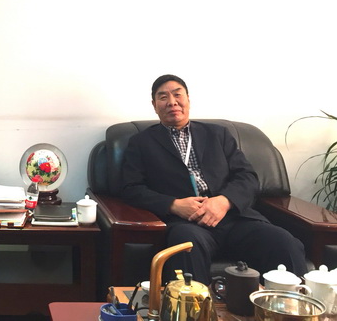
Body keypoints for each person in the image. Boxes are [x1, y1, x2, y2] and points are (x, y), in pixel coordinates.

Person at [121, 74, 307, 285]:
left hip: (233, 218)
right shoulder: (141, 143)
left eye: (177, 94)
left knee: (283, 242)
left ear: (188, 100)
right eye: (163, 97)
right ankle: (194, 306)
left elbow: (247, 177)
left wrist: (224, 201)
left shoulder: (218, 135)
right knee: (186, 246)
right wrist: (174, 205)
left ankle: (290, 304)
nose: (172, 102)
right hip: (187, 223)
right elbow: (131, 188)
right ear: (154, 106)